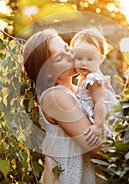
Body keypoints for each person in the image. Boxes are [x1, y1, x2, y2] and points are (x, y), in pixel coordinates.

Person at [22, 29, 102, 184]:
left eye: (67, 48)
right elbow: (97, 146)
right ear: (47, 74)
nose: (70, 55)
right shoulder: (55, 96)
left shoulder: (80, 89)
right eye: (60, 58)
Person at [70, 28, 119, 143]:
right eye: (79, 57)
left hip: (101, 123)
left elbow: (100, 102)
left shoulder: (93, 78)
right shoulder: (83, 76)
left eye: (90, 58)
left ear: (101, 58)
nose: (83, 63)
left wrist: (97, 126)